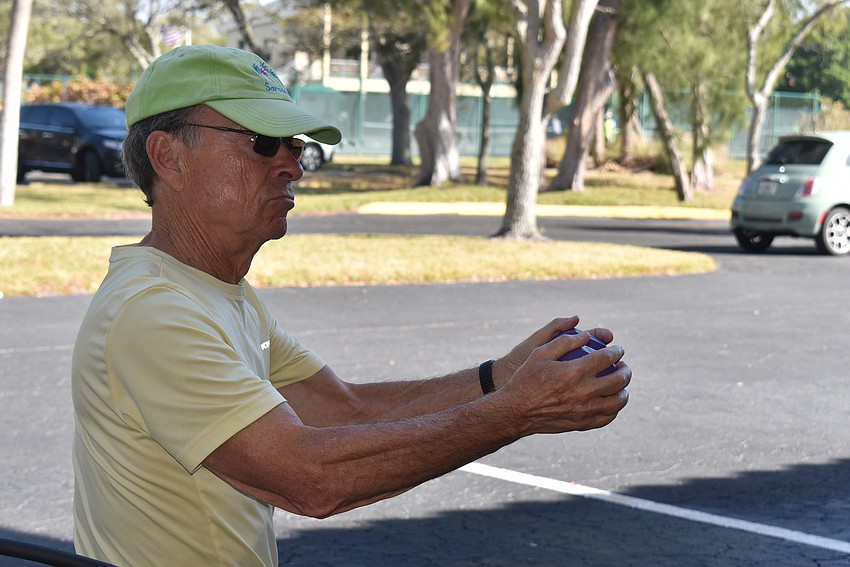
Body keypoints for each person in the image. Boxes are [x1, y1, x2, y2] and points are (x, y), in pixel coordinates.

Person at [71, 45, 631, 567]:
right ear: (167, 156)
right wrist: (517, 412)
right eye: (263, 142)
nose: (291, 166)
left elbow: (345, 411)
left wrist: (500, 378)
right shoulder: (155, 312)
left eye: (295, 146)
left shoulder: (216, 293)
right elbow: (308, 476)